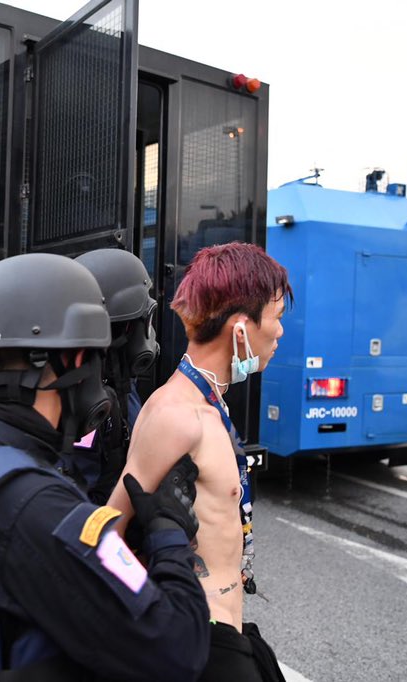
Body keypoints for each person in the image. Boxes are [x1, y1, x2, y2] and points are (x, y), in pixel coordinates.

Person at [0, 253, 210, 681]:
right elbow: (180, 647)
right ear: (73, 360)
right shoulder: (42, 510)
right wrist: (169, 530)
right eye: (95, 357)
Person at [107, 242, 292, 682]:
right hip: (201, 644)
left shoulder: (210, 403)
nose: (281, 332)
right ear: (241, 328)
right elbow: (102, 536)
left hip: (226, 634)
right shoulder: (178, 415)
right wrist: (159, 617)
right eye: (277, 316)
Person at [72, 248, 159, 504]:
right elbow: (83, 498)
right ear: (129, 325)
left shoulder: (123, 387)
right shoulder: (89, 402)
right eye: (145, 317)